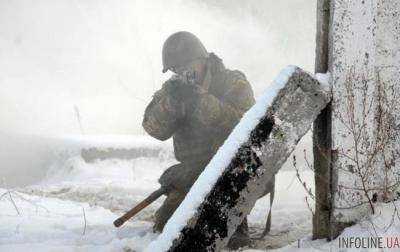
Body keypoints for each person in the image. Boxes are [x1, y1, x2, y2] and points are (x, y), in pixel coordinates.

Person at [142, 31, 256, 249]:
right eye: (176, 70)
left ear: (202, 61)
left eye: (186, 67)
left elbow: (244, 126)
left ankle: (235, 219)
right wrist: (171, 103)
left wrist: (200, 99)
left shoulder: (232, 81)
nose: (182, 73)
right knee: (166, 225)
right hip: (194, 173)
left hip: (235, 167)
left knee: (222, 230)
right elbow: (154, 129)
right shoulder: (174, 89)